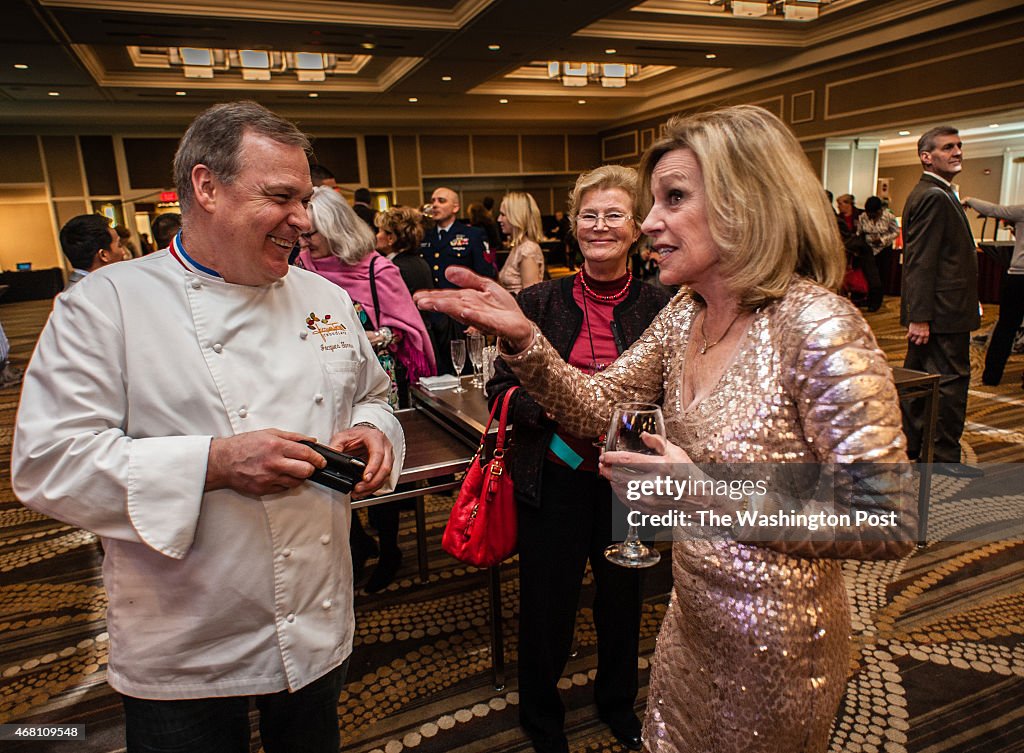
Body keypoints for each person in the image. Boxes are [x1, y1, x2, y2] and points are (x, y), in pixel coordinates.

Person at [417, 105, 915, 753]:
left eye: (673, 198)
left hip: (776, 651)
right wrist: (526, 341)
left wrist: (707, 490)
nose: (648, 222)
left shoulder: (816, 326)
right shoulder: (686, 312)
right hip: (688, 625)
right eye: (651, 202)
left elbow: (888, 515)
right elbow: (601, 407)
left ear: (746, 201)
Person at [12, 100, 404, 753]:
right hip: (186, 638)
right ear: (206, 187)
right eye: (280, 197)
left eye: (305, 199)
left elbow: (374, 392)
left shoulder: (327, 299)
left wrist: (374, 431)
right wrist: (214, 463)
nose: (304, 221)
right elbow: (48, 462)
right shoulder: (103, 305)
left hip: (316, 611)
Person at [487, 165, 671, 753]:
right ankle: (541, 719)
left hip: (629, 482)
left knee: (623, 605)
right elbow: (500, 388)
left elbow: (672, 389)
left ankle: (617, 704)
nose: (600, 226)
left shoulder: (663, 304)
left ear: (636, 228)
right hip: (557, 476)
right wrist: (553, 417)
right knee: (547, 607)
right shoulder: (537, 300)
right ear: (573, 225)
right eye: (588, 215)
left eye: (614, 214)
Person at [296, 186, 435, 592]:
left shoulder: (377, 269)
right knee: (328, 464)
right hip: (318, 383)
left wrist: (376, 337)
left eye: (312, 235)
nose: (304, 242)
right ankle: (356, 544)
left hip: (377, 380)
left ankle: (390, 546)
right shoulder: (299, 268)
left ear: (335, 229)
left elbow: (408, 326)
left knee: (374, 465)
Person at [901, 126, 982, 478]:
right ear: (926, 156)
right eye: (948, 147)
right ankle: (943, 459)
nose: (957, 152)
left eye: (959, 146)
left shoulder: (938, 193)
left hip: (941, 309)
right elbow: (921, 259)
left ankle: (915, 447)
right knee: (949, 384)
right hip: (941, 312)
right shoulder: (933, 195)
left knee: (921, 382)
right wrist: (919, 316)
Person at [421, 186, 496, 373]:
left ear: (455, 207)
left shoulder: (472, 235)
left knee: (465, 371)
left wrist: (478, 320)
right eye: (433, 201)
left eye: (441, 201)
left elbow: (484, 279)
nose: (435, 205)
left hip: (461, 316)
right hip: (432, 317)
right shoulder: (425, 235)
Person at [961, 195, 1024, 386]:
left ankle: (991, 376)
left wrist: (970, 200)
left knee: (1005, 328)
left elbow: (993, 210)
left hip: (1018, 278)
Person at [58, 213, 127, 290]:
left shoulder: (82, 288)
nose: (124, 252)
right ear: (103, 255)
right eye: (119, 245)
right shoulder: (91, 293)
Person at [496, 191, 545, 295]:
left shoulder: (527, 250)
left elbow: (531, 300)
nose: (499, 219)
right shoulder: (519, 247)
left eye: (503, 214)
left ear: (516, 217)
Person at [856, 195, 899, 312]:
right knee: (870, 276)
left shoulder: (889, 217)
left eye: (873, 214)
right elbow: (859, 232)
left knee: (880, 277)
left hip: (884, 250)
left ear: (879, 211)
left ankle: (876, 302)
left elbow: (896, 232)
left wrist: (882, 240)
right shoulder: (863, 217)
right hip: (868, 250)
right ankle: (869, 299)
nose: (870, 216)